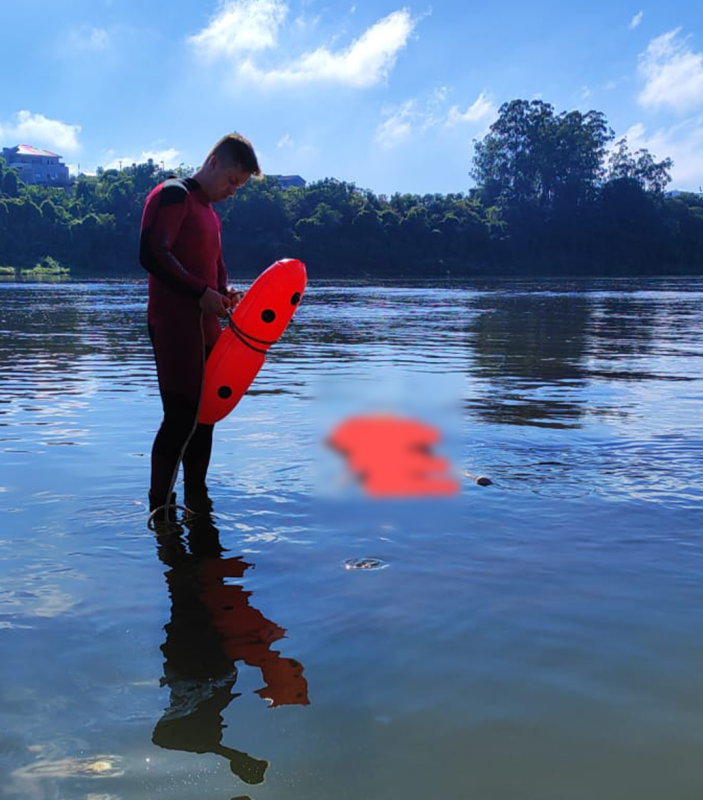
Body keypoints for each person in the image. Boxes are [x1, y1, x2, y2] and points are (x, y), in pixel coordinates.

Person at [139, 133, 261, 517]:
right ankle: (160, 509)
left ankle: (197, 502)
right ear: (213, 163)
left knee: (205, 418)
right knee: (180, 418)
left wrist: (224, 293)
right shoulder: (173, 195)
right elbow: (152, 253)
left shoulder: (210, 214)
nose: (232, 191)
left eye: (239, 187)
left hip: (207, 328)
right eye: (231, 181)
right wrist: (199, 292)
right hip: (175, 327)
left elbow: (215, 269)